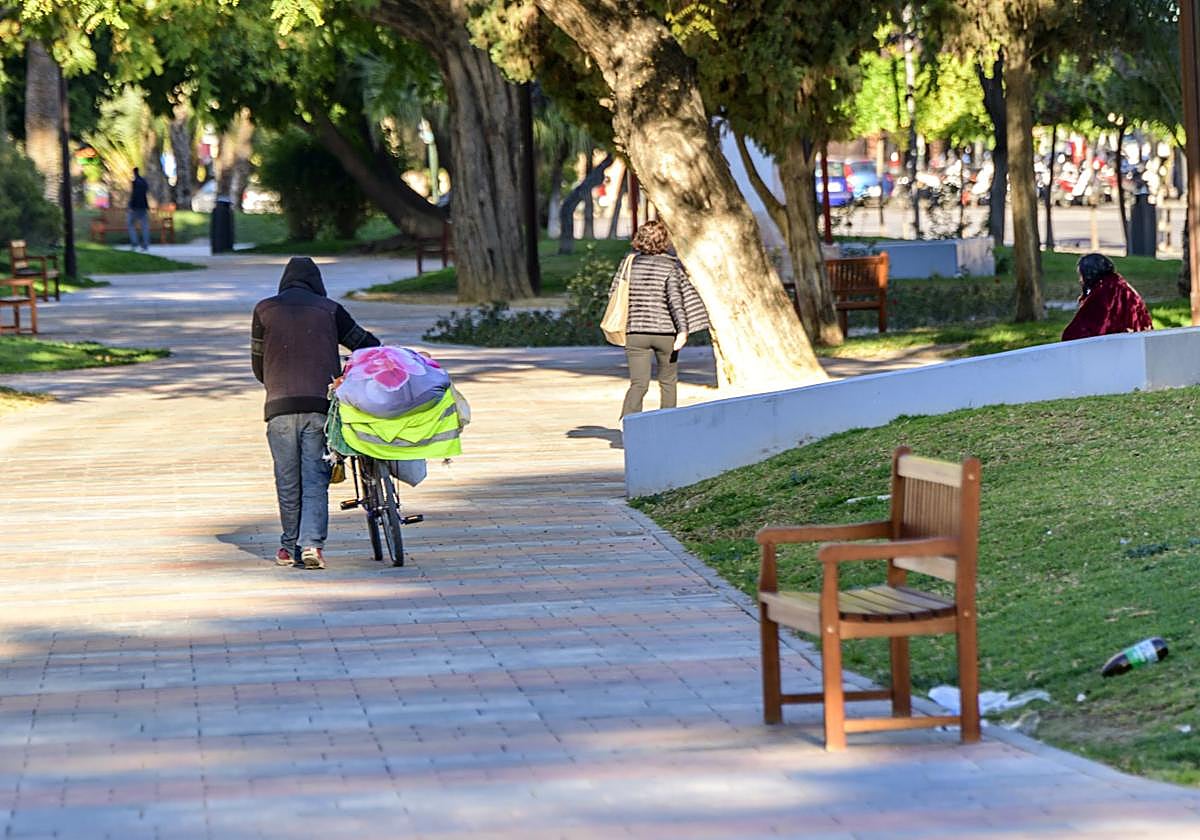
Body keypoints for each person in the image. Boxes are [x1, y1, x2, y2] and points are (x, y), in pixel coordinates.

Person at [252, 257, 380, 570]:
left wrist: (277, 382)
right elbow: (367, 345)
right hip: (320, 408)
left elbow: (258, 364)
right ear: (317, 282)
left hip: (279, 409)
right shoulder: (330, 310)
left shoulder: (264, 310)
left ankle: (288, 547)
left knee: (287, 479)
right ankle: (311, 546)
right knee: (314, 478)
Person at [612, 220, 708, 418]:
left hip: (635, 333)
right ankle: (667, 424)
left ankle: (629, 424)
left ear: (639, 239)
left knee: (638, 384)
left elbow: (614, 293)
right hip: (665, 334)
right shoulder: (670, 266)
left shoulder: (628, 264)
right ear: (664, 240)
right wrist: (683, 331)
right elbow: (675, 301)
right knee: (668, 381)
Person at [1061, 253, 1153, 341]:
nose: (1081, 280)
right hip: (1136, 343)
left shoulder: (1104, 292)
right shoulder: (1122, 286)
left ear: (1089, 274)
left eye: (1082, 275)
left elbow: (1076, 333)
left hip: (1115, 346)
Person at [128, 167, 151, 251]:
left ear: (134, 173)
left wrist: (131, 205)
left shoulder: (135, 182)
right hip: (143, 206)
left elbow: (134, 195)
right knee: (144, 226)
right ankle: (145, 244)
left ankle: (135, 242)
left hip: (135, 207)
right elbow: (146, 191)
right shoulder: (144, 182)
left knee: (130, 224)